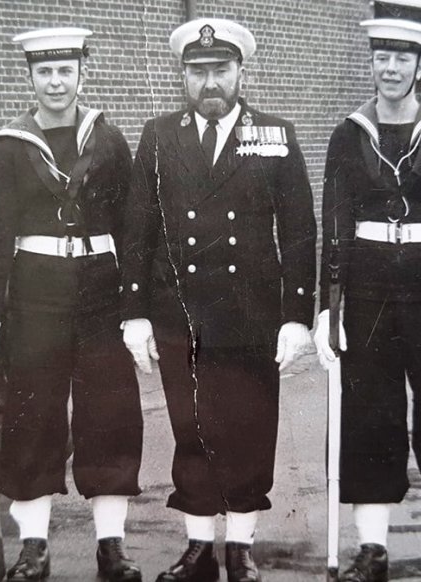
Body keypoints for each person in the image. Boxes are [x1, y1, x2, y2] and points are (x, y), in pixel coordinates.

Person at [119, 18, 316, 582]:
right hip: (180, 313)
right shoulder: (159, 136)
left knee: (251, 428)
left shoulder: (275, 134)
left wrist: (297, 316)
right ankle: (200, 549)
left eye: (220, 71)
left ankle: (242, 549)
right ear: (184, 76)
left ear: (240, 73)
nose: (210, 83)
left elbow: (300, 229)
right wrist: (134, 312)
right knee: (192, 428)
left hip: (252, 311)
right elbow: (139, 226)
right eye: (198, 72)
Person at [313, 18, 421, 582]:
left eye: (401, 59)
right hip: (367, 296)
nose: (389, 69)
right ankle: (372, 552)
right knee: (370, 416)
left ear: (420, 66)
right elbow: (334, 226)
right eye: (380, 58)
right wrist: (327, 309)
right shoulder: (349, 133)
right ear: (372, 63)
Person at [0, 27, 143, 582]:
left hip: (100, 291)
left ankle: (111, 547)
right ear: (30, 78)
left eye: (65, 70)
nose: (55, 82)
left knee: (109, 417)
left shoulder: (108, 140)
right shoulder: (9, 145)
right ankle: (34, 548)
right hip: (36, 291)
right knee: (32, 418)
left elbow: (133, 227)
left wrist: (135, 303)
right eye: (44, 72)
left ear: (80, 74)